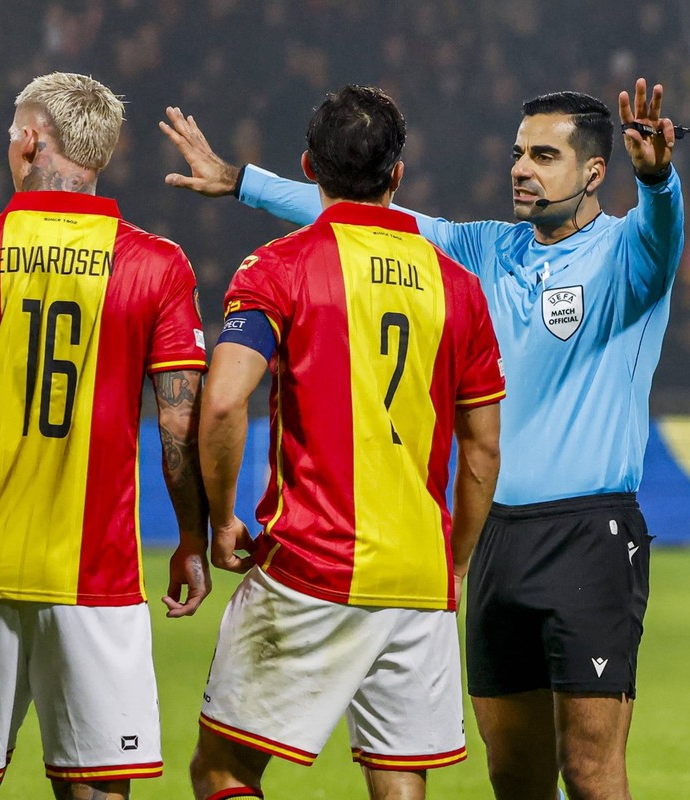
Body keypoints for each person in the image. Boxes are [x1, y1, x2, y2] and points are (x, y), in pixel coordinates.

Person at [162, 78, 684, 800]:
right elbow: (363, 218)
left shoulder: (629, 254)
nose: (521, 168)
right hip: (496, 533)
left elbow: (661, 231)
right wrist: (240, 182)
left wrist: (656, 182)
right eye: (517, 153)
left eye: (543, 156)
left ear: (594, 172)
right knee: (514, 774)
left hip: (588, 532)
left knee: (591, 772)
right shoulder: (486, 251)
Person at [0, 71, 211, 800]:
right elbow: (179, 425)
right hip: (97, 571)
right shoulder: (156, 266)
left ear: (30, 140)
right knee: (96, 784)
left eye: (11, 133)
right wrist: (192, 536)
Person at [189, 84, 504, 800]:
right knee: (398, 779)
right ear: (398, 174)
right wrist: (453, 563)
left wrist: (222, 517)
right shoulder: (458, 288)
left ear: (308, 167)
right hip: (417, 576)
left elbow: (225, 400)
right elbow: (483, 449)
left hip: (313, 562)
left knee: (223, 770)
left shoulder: (280, 267)